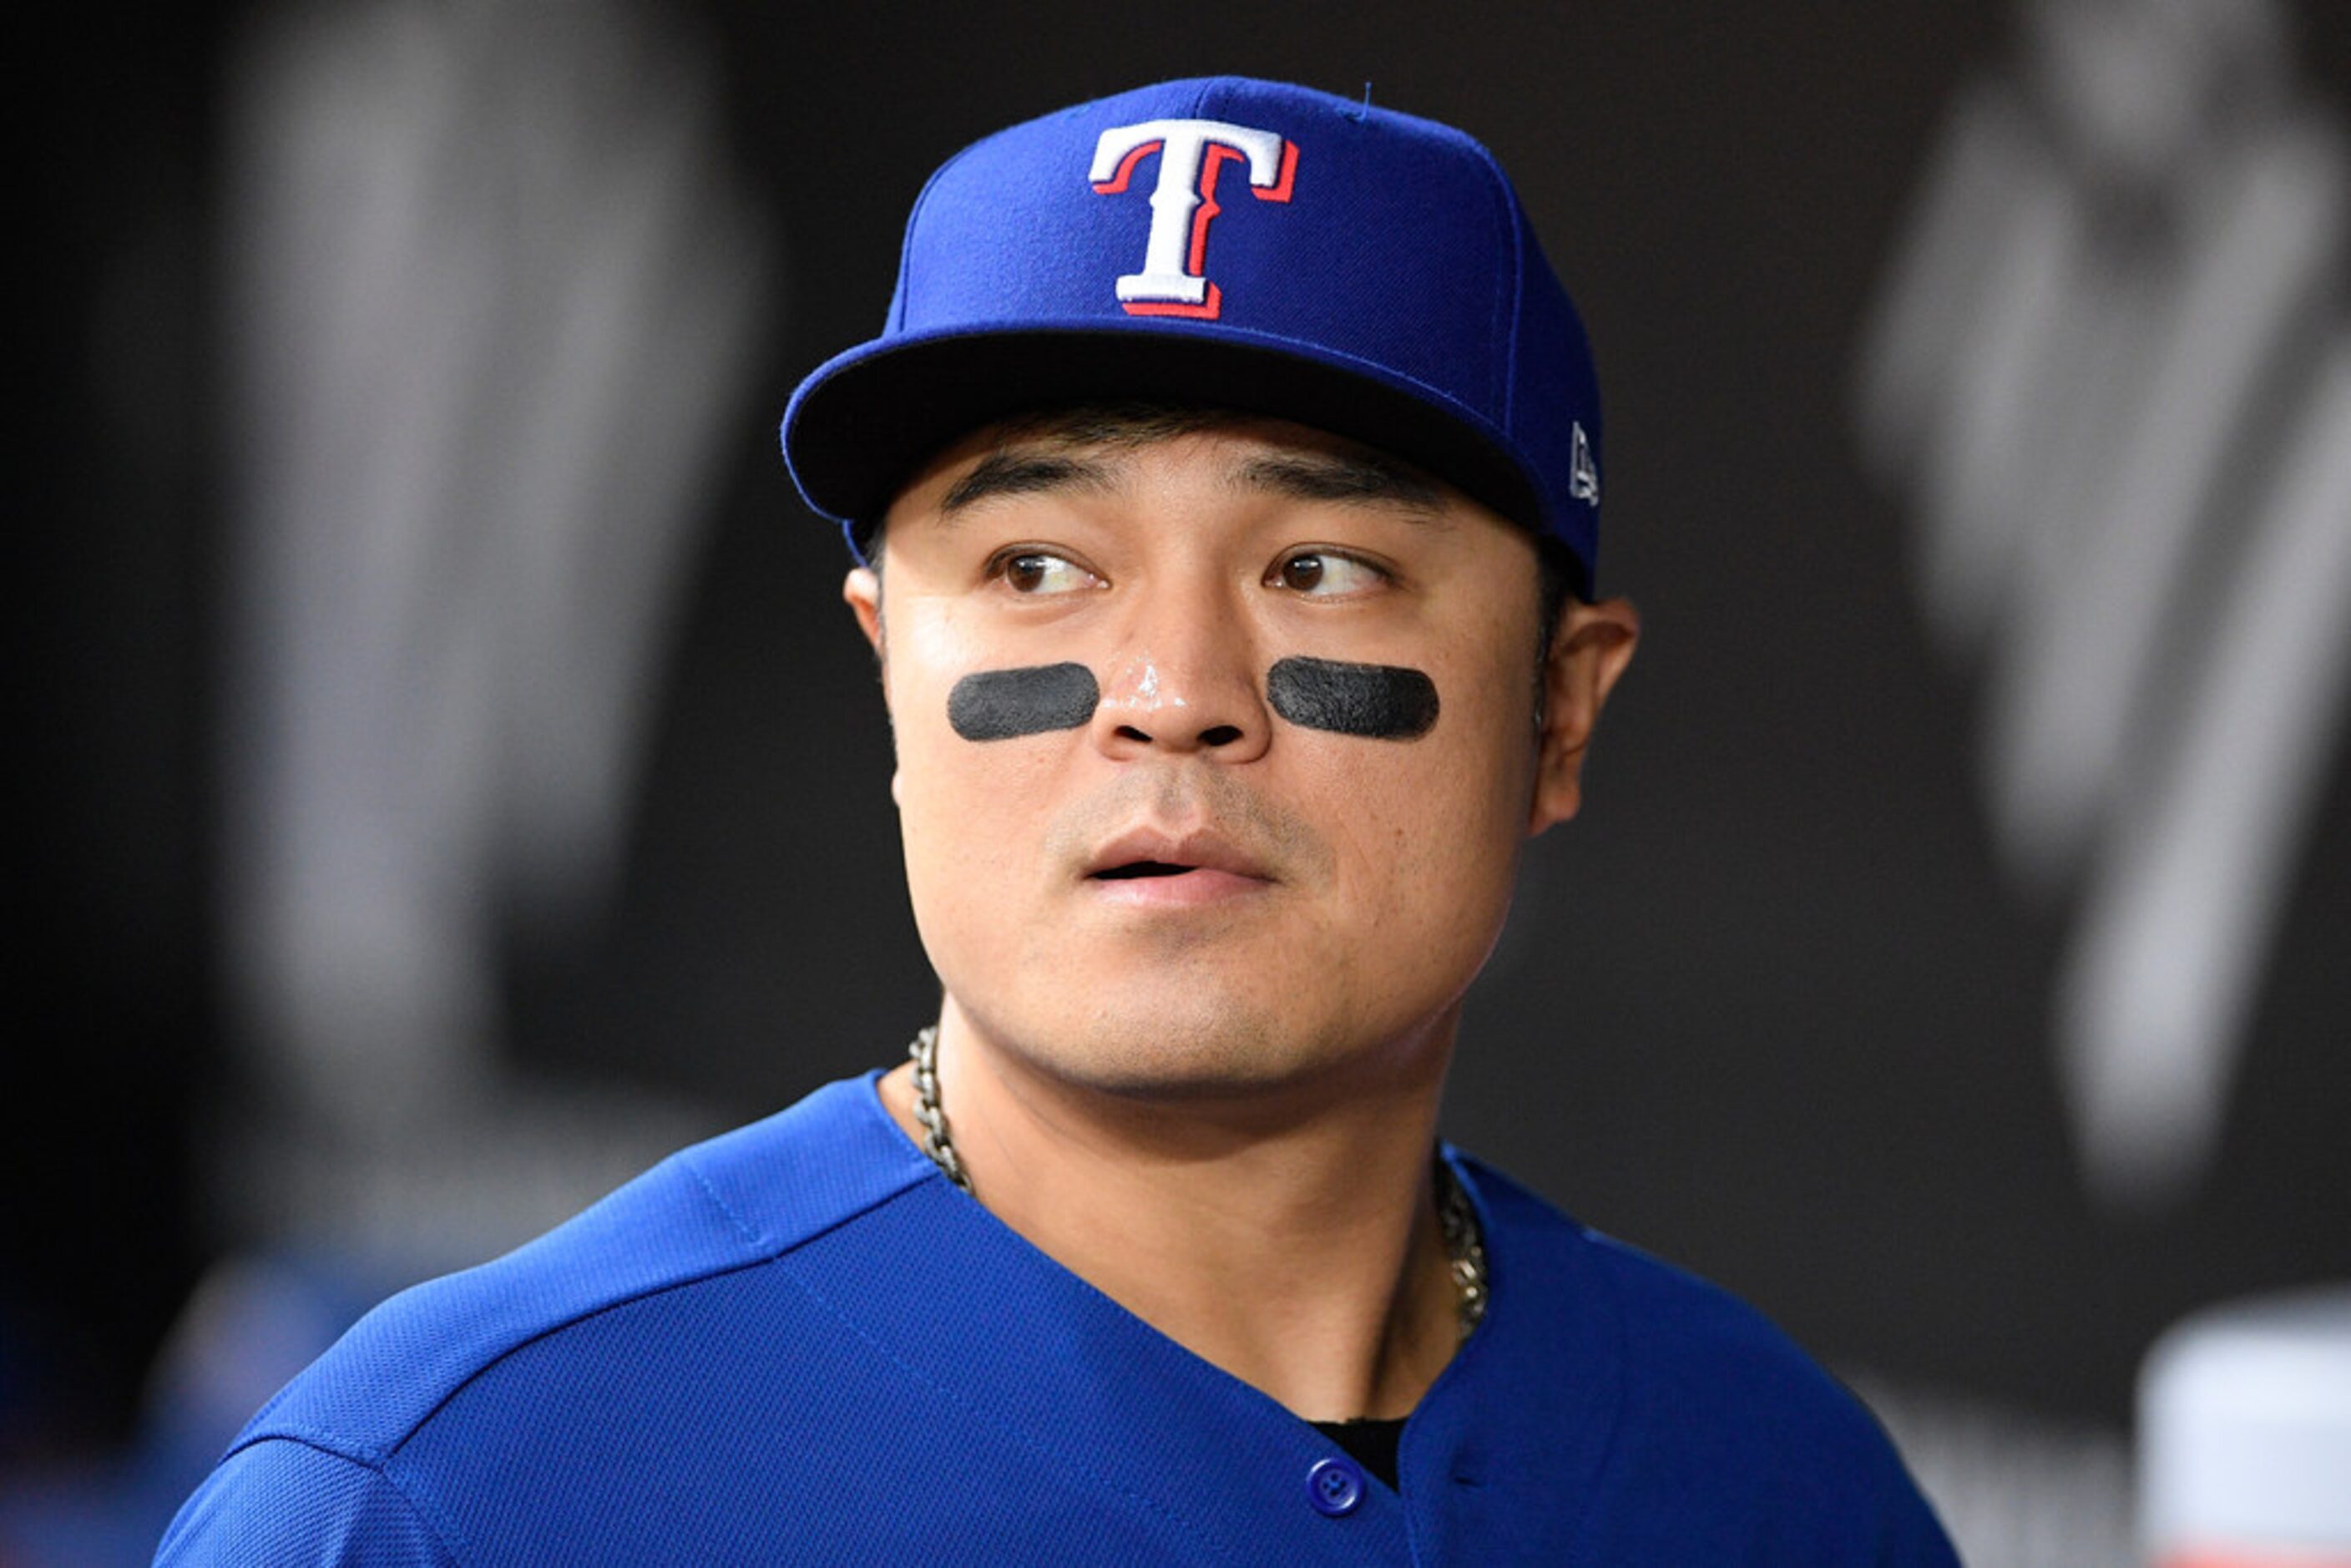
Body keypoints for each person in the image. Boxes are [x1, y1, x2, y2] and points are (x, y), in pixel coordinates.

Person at [159, 76, 1957, 1563]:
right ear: (886, 674)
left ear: (1558, 708)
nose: (1168, 688)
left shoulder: (1778, 1480)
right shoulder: (442, 1499)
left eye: (1319, 566)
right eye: (1036, 566)